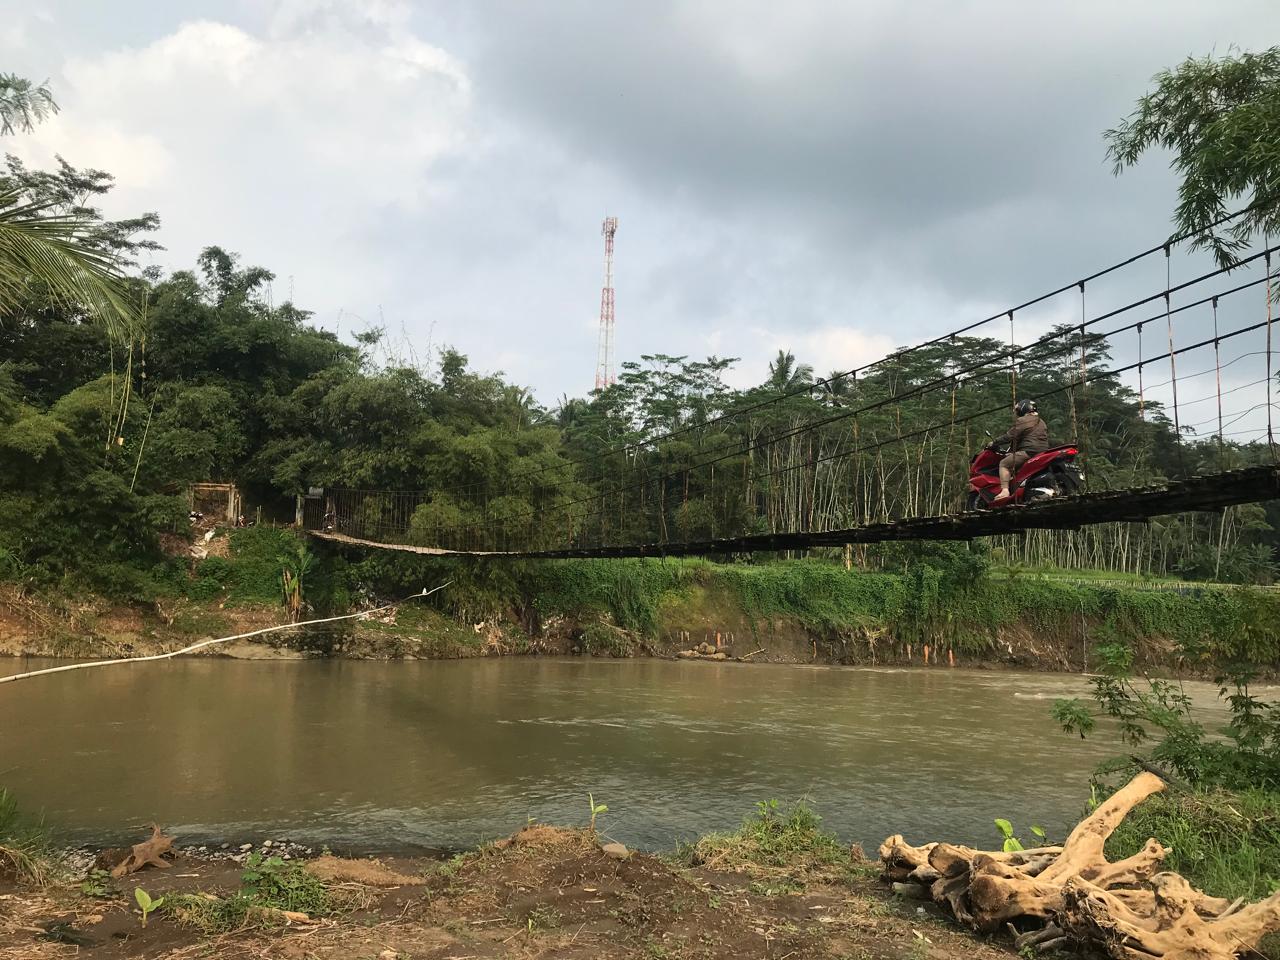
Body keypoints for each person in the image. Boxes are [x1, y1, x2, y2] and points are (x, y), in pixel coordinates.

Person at [992, 399, 1049, 501]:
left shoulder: (1023, 420)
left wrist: (994, 442)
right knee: (1011, 458)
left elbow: (1009, 436)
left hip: (1029, 452)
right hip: (1042, 452)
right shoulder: (1041, 421)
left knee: (1004, 464)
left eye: (1017, 409)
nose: (1016, 412)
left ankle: (1005, 491)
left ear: (1023, 409)